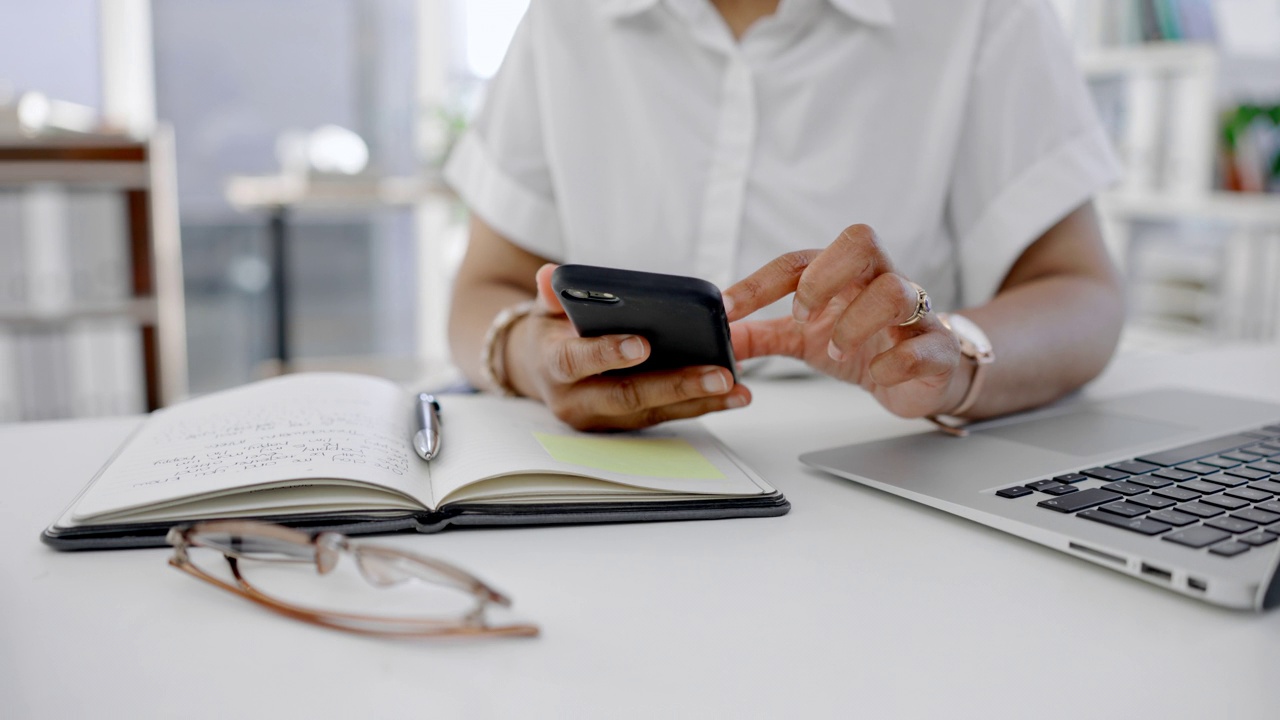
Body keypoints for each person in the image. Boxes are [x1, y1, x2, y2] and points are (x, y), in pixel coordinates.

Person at [443, 0, 1126, 432]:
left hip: (889, 463)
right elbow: (485, 288)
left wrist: (956, 356)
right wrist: (529, 358)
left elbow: (1082, 293)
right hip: (615, 471)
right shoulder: (564, 20)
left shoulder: (983, 14)